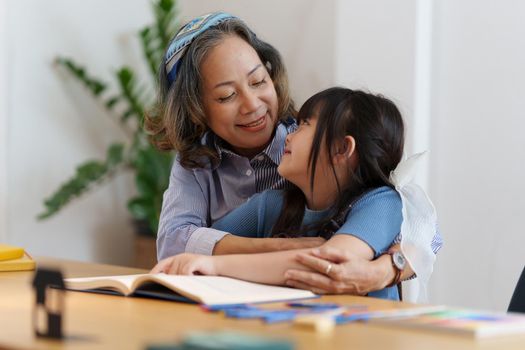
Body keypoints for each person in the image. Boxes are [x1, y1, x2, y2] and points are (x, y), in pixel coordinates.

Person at [146, 12, 442, 296]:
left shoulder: (315, 155)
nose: (252, 105)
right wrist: (278, 247)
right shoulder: (228, 180)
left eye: (259, 81)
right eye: (226, 96)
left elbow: (424, 232)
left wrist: (387, 268)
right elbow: (175, 248)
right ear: (197, 111)